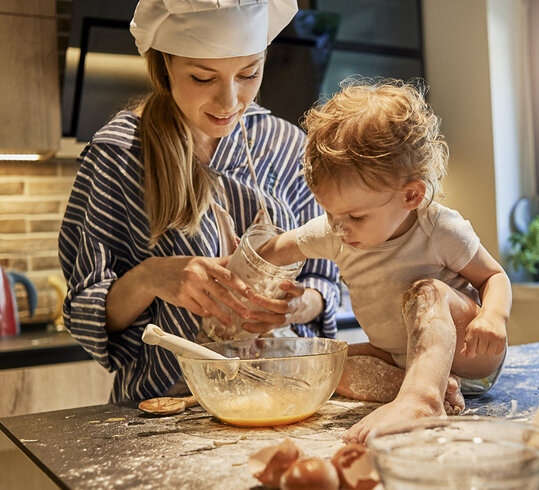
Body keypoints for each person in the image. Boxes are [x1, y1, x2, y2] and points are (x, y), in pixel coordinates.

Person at [58, 0, 339, 403]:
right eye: (203, 78)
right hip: (167, 407)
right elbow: (87, 309)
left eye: (248, 73)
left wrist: (297, 307)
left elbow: (324, 280)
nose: (229, 102)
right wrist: (152, 276)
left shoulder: (286, 146)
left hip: (283, 393)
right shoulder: (118, 154)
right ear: (165, 67)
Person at [256, 79, 512, 443]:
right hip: (399, 357)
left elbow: (494, 276)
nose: (340, 229)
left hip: (470, 353)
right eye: (330, 215)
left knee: (427, 292)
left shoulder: (438, 228)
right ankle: (432, 390)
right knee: (329, 363)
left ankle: (423, 400)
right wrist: (238, 268)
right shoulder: (337, 228)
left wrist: (493, 317)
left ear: (411, 195)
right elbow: (277, 248)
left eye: (356, 217)